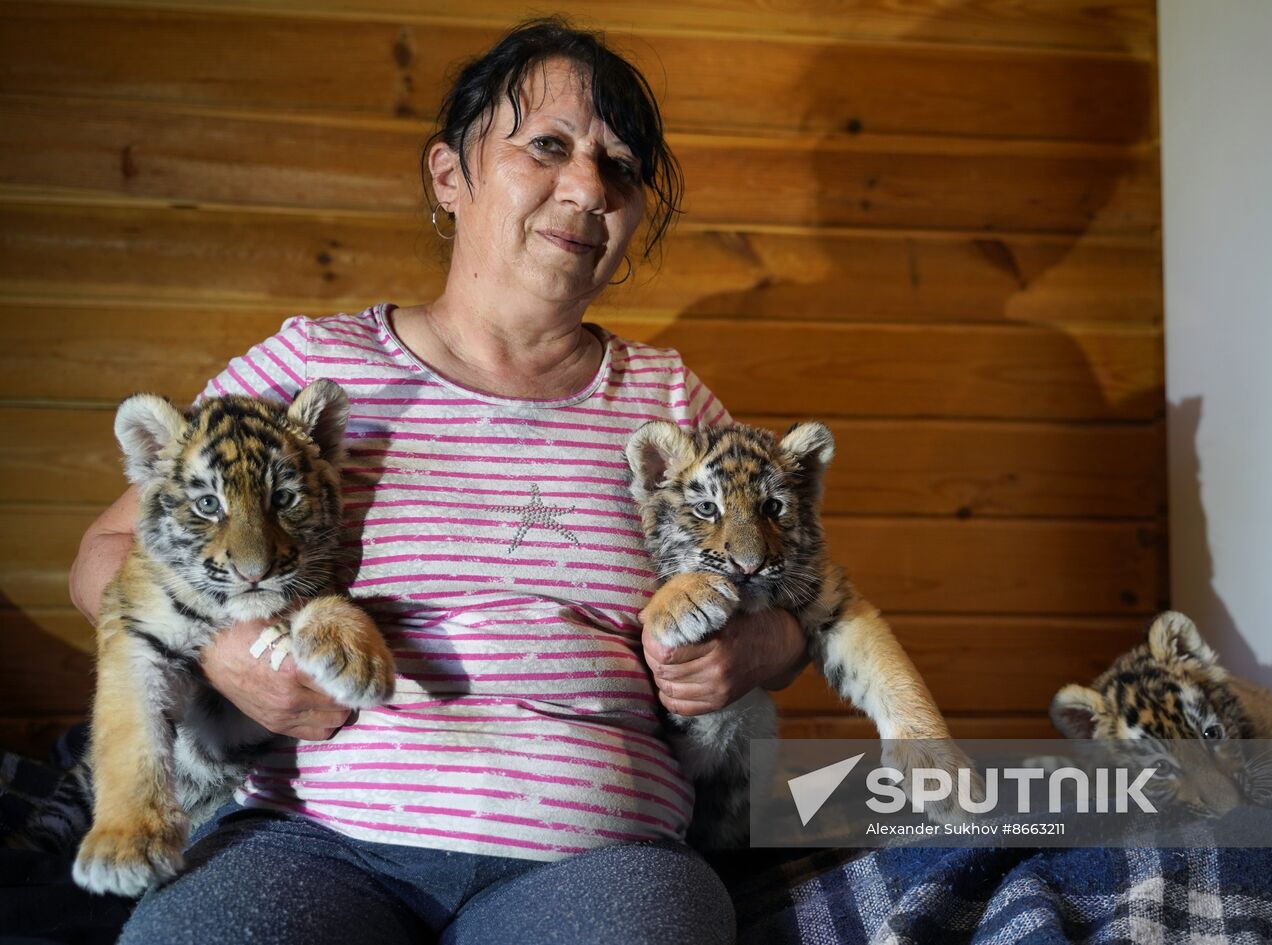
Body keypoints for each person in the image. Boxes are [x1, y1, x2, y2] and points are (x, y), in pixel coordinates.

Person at [68, 19, 809, 945]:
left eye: (620, 168)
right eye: (548, 146)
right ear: (449, 177)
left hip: (600, 853)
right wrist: (232, 655)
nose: (587, 188)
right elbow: (104, 557)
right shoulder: (311, 368)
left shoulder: (668, 401)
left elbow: (797, 614)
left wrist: (751, 650)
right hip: (318, 839)